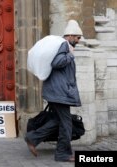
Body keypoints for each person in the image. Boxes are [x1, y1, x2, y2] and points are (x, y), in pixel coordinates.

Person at [25, 20, 83, 162]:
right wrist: (70, 55)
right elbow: (56, 63)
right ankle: (63, 153)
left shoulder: (61, 45)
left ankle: (33, 138)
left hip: (55, 90)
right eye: (78, 37)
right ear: (70, 35)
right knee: (66, 123)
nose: (79, 41)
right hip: (60, 92)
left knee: (59, 120)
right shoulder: (64, 45)